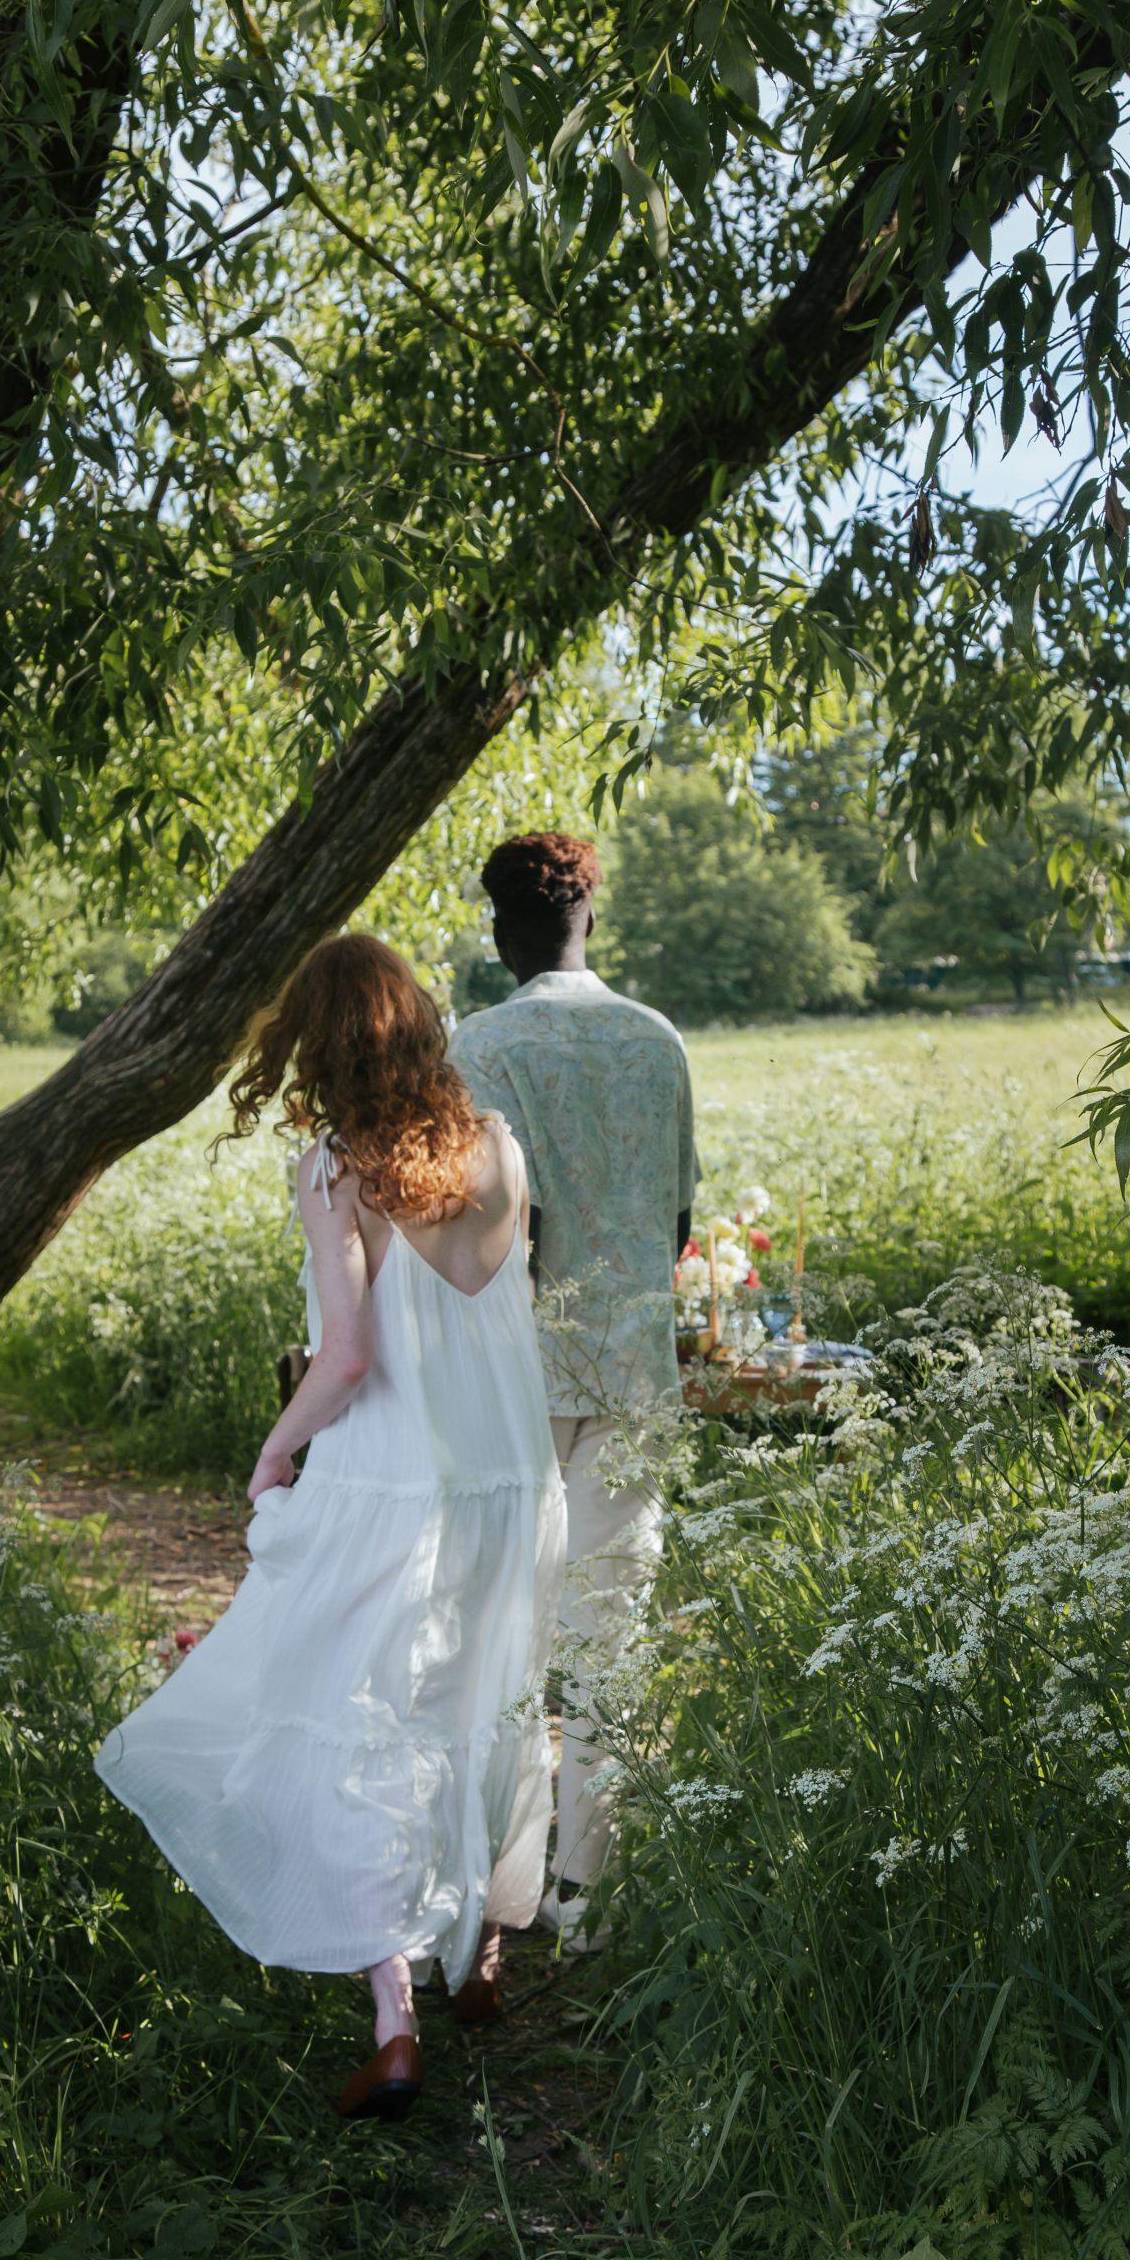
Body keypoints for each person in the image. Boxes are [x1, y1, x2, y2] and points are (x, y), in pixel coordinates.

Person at [95, 935, 565, 2122]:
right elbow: (491, 1304)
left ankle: (393, 2019)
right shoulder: (499, 1144)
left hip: (389, 1482)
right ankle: (481, 1961)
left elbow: (349, 1356)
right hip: (510, 1477)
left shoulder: (336, 1167)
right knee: (489, 1695)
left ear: (317, 1045)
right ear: (418, 1028)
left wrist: (276, 1446)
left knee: (357, 1716)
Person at [449, 832, 697, 1946]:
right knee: (615, 1638)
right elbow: (678, 1223)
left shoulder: (481, 1044)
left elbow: (501, 1234)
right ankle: (587, 1900)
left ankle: (500, 1893)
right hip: (640, 1374)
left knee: (503, 1634)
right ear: (591, 918)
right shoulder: (658, 1042)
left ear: (502, 930)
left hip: (524, 1381)